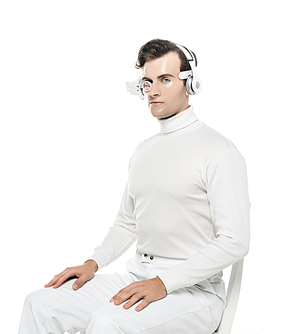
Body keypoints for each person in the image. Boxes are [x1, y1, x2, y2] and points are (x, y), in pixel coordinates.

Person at [18, 38, 250, 334]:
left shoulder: (219, 152)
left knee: (108, 321)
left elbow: (235, 240)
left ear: (190, 84)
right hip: (138, 277)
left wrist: (163, 283)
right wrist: (93, 262)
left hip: (196, 293)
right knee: (40, 304)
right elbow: (127, 222)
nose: (153, 91)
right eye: (147, 81)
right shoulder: (144, 151)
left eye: (165, 79)